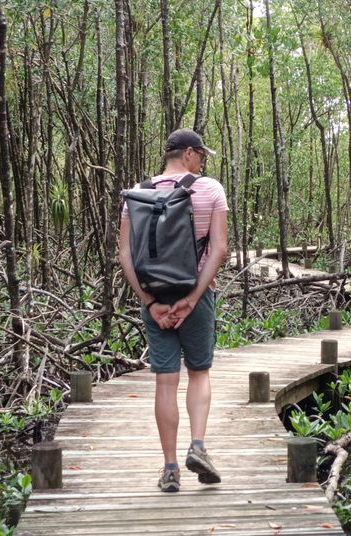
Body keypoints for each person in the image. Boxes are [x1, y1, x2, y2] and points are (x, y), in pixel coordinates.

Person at [118, 128, 229, 493]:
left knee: (165, 382)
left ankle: (169, 469)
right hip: (194, 296)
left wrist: (151, 303)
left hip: (156, 299)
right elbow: (219, 250)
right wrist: (194, 298)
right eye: (202, 155)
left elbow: (125, 256)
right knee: (199, 373)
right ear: (189, 154)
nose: (203, 162)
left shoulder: (138, 194)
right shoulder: (209, 189)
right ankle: (198, 446)